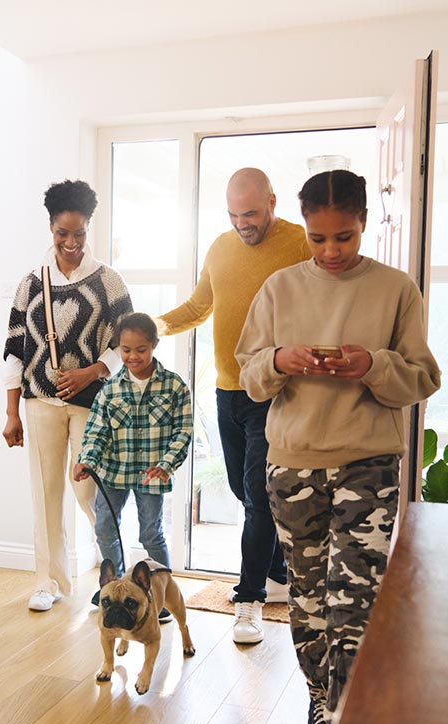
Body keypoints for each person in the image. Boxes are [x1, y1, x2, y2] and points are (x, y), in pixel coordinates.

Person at [235, 169, 441, 724]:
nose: (330, 251)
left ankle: (351, 702)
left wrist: (371, 365)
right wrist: (280, 359)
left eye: (344, 237)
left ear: (364, 224)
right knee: (308, 593)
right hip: (292, 465)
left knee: (357, 596)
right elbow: (249, 378)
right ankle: (321, 700)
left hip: (368, 464)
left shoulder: (396, 289)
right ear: (303, 227)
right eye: (318, 238)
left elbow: (422, 378)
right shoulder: (277, 288)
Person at [156, 167, 312, 645]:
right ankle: (280, 576)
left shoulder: (300, 243)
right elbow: (198, 306)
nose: (242, 223)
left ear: (272, 202)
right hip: (227, 389)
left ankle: (249, 601)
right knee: (243, 491)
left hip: (274, 391)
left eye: (250, 213)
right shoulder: (221, 247)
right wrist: (147, 328)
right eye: (233, 214)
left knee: (259, 495)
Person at [2, 179, 133, 612]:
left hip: (91, 403)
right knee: (45, 493)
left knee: (90, 491)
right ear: (50, 227)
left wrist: (90, 372)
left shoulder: (108, 282)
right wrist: (11, 413)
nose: (72, 242)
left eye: (79, 233)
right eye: (63, 233)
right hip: (39, 402)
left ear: (89, 227)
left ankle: (118, 578)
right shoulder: (30, 284)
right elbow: (14, 350)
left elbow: (128, 343)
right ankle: (49, 581)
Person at [73, 312, 193, 616]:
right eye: (126, 350)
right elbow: (96, 431)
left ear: (154, 344)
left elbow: (183, 431)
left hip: (153, 475)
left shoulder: (175, 387)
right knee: (104, 527)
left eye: (140, 349)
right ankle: (114, 591)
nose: (133, 356)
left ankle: (161, 597)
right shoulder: (110, 390)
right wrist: (87, 460)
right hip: (113, 471)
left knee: (151, 533)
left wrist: (166, 464)